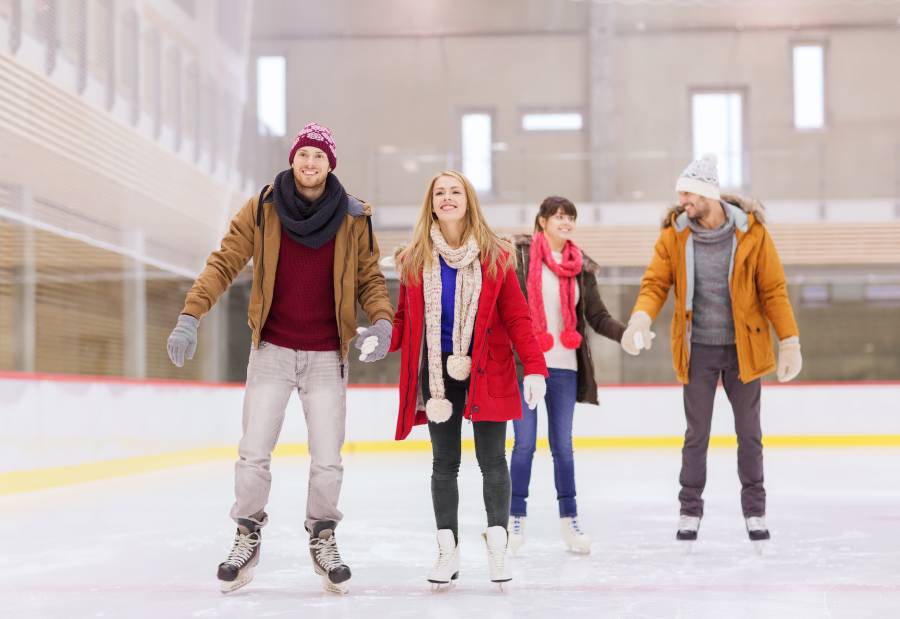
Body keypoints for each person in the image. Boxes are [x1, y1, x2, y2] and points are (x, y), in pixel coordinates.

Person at [166, 122, 394, 594]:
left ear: (331, 165)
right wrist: (191, 313)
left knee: (328, 459)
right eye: (304, 155)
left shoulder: (353, 216)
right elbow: (225, 260)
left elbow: (370, 278)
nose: (310, 164)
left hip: (328, 354)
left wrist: (383, 320)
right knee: (253, 453)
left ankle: (323, 534)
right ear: (293, 159)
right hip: (271, 348)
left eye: (319, 157)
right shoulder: (264, 207)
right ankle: (246, 534)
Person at [622, 154, 802, 543]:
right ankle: (690, 511)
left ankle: (755, 512)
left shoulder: (752, 234)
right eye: (681, 194)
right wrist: (640, 318)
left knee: (749, 433)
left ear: (708, 194)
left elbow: (773, 290)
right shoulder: (675, 234)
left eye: (688, 193)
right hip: (698, 349)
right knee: (696, 434)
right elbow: (655, 284)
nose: (682, 200)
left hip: (744, 349)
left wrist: (789, 340)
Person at [388, 170, 548, 588]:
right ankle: (448, 553)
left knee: (493, 461)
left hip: (487, 370)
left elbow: (517, 315)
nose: (446, 198)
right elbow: (404, 320)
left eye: (454, 191)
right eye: (439, 193)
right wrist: (380, 337)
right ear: (431, 204)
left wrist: (534, 366)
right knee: (445, 464)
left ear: (468, 200)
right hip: (438, 376)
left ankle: (498, 549)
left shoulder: (495, 255)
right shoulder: (415, 258)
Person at [507, 196, 626, 555]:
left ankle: (570, 522)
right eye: (557, 216)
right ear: (542, 221)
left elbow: (597, 315)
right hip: (527, 366)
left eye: (570, 216)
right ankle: (515, 519)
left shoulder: (581, 266)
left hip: (565, 368)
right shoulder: (520, 256)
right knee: (524, 444)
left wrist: (627, 334)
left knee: (563, 447)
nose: (565, 221)